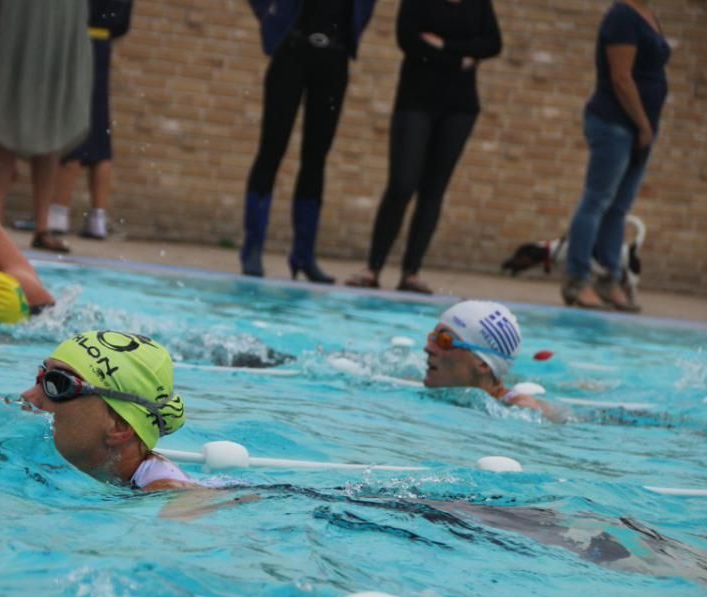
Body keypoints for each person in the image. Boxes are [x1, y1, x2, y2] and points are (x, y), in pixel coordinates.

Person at [345, 0, 501, 294]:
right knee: (402, 183)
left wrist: (442, 45)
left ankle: (411, 272)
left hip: (460, 106)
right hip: (416, 101)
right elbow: (409, 42)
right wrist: (461, 56)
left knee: (433, 189)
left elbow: (492, 44)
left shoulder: (478, 3)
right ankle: (373, 267)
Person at [239, 0, 379, 282]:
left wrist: (352, 32)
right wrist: (271, 16)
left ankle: (303, 255)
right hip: (291, 50)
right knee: (272, 149)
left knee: (316, 159)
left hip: (334, 58)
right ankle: (252, 249)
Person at [561, 0, 669, 312]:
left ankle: (609, 279)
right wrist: (642, 123)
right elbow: (621, 77)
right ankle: (577, 279)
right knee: (597, 200)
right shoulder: (622, 16)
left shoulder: (648, 14)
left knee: (619, 207)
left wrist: (645, 127)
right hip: (615, 123)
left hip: (638, 128)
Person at [21, 331, 197, 489]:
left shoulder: (171, 496)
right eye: (41, 376)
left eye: (57, 384)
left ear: (120, 426)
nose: (28, 396)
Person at [0, 0, 93, 254]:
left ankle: (42, 227)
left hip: (63, 22)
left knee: (52, 120)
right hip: (19, 20)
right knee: (7, 112)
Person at [48, 0, 134, 240]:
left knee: (73, 124)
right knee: (99, 127)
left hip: (76, 42)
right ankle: (98, 216)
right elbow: (122, 25)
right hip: (102, 43)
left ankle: (58, 212)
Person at [423, 300, 563, 420]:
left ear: (483, 363)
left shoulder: (518, 410)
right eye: (433, 336)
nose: (428, 348)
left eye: (445, 340)